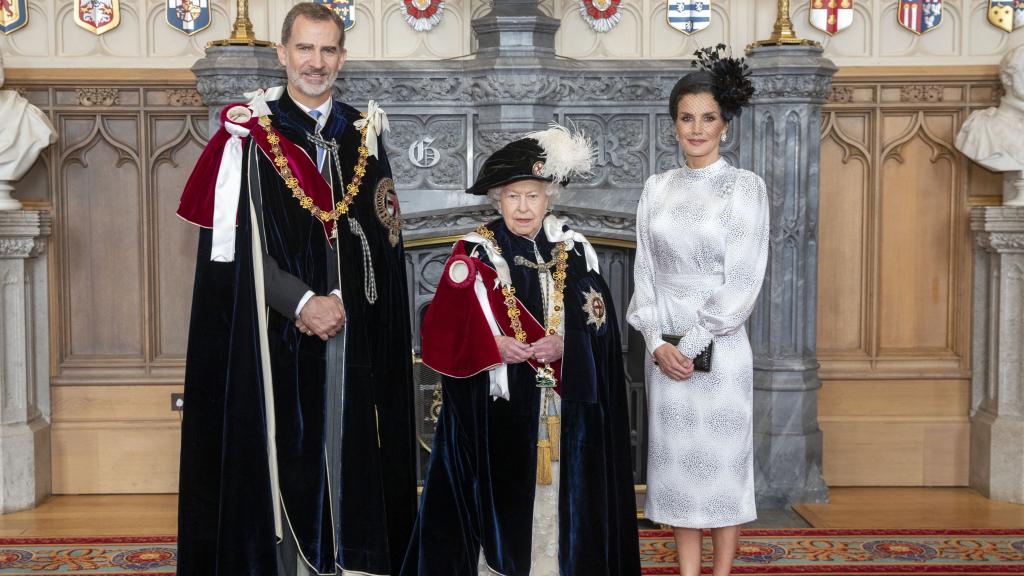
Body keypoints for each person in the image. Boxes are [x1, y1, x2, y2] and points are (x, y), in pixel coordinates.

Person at [175, 3, 417, 575]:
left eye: (328, 49)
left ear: (342, 57)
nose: (316, 62)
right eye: (304, 49)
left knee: (356, 454)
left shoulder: (363, 134)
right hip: (274, 338)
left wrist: (344, 304)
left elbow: (383, 241)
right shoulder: (251, 138)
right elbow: (231, 254)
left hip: (351, 338)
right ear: (282, 53)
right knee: (284, 463)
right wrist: (304, 302)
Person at [402, 126, 641, 576]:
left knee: (561, 509)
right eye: (513, 196)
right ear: (497, 199)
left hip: (566, 411)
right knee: (505, 508)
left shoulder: (574, 250)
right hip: (498, 413)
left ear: (549, 196)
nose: (524, 206)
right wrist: (491, 344)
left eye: (532, 195)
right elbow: (439, 335)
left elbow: (604, 328)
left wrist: (569, 343)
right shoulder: (473, 254)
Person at [626, 44, 767, 576]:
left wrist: (693, 342)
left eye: (708, 118)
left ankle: (723, 572)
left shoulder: (745, 189)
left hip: (721, 352)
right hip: (665, 353)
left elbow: (744, 278)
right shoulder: (655, 188)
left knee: (724, 471)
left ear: (725, 125)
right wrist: (659, 342)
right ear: (674, 124)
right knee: (678, 472)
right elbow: (644, 273)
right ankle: (688, 572)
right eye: (686, 118)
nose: (697, 128)